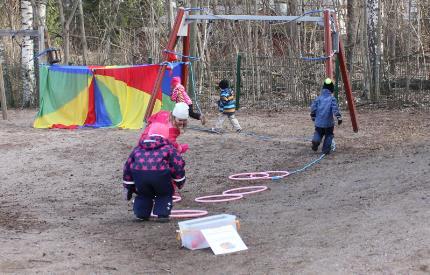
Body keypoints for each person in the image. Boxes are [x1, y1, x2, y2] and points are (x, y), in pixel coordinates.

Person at [122, 123, 186, 222]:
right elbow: (177, 165)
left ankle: (141, 214)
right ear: (166, 135)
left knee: (143, 194)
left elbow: (128, 166)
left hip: (140, 175)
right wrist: (180, 180)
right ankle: (162, 214)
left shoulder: (138, 148)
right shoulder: (169, 148)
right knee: (164, 193)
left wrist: (128, 185)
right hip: (160, 175)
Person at [310, 78, 342, 154]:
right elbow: (335, 109)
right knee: (329, 135)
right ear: (331, 89)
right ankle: (325, 150)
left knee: (318, 132)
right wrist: (339, 117)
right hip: (328, 123)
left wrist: (313, 116)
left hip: (319, 123)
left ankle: (316, 141)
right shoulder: (332, 99)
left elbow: (313, 108)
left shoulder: (318, 98)